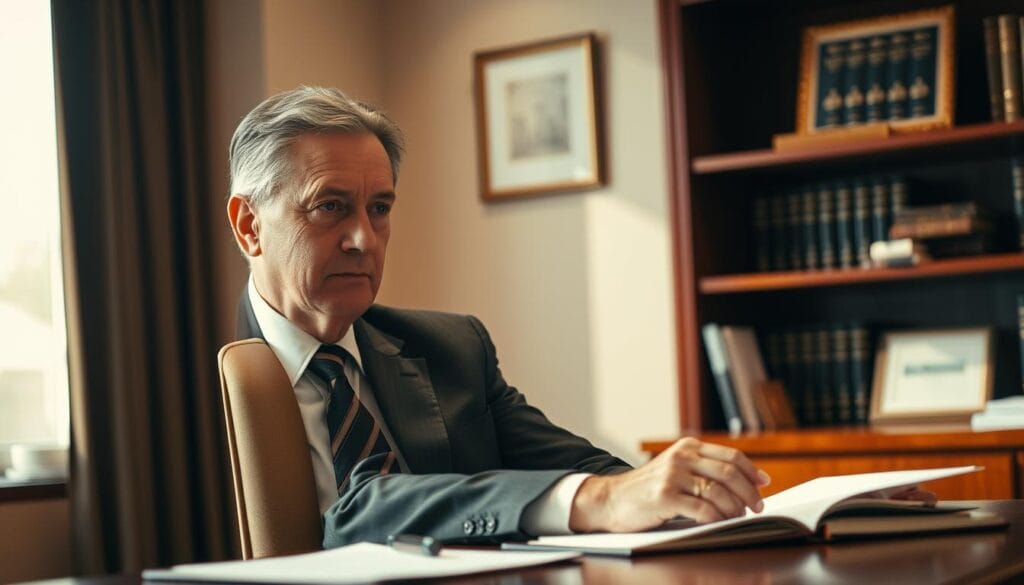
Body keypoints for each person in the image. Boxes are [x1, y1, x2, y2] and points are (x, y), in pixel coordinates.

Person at [225, 86, 771, 548]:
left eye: (381, 209)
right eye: (330, 206)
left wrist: (673, 493)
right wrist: (599, 501)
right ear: (249, 225)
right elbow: (356, 510)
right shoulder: (183, 386)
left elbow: (589, 474)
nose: (364, 239)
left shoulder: (450, 348)